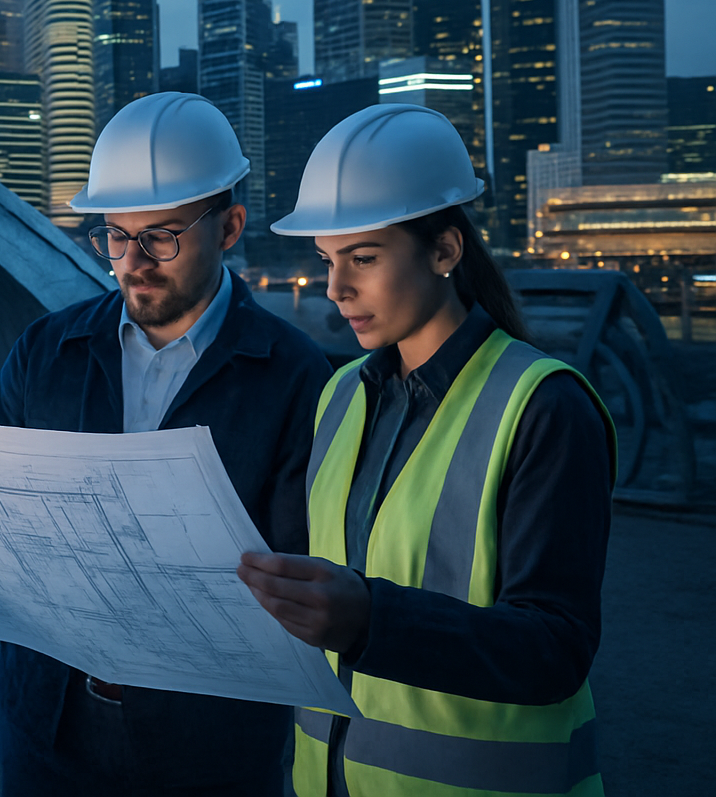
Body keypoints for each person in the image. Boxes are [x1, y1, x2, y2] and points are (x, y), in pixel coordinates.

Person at [0, 92, 333, 796]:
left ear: (229, 227)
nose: (133, 261)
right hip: (48, 723)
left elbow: (307, 573)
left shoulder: (295, 376)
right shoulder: (48, 350)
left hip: (210, 745)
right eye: (114, 234)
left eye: (160, 236)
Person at [235, 104, 615, 797]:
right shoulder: (341, 395)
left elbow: (555, 649)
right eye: (326, 259)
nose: (335, 288)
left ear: (444, 251)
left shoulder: (544, 407)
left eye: (365, 258)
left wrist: (371, 620)